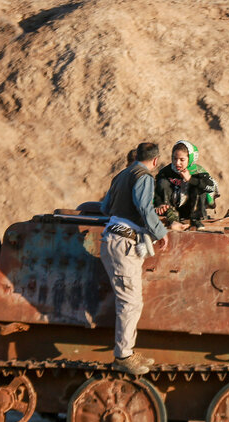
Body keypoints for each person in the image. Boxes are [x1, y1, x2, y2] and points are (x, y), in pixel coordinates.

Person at [98, 141, 169, 376]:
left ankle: (127, 350)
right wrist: (161, 232)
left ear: (137, 155)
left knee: (129, 300)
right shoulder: (145, 176)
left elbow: (105, 207)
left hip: (113, 237)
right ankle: (123, 356)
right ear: (156, 160)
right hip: (124, 243)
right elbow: (144, 209)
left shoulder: (122, 175)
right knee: (130, 302)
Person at [154, 141, 219, 228]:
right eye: (174, 158)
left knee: (198, 187)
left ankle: (197, 219)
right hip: (173, 211)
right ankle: (171, 218)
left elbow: (210, 187)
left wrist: (190, 179)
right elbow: (156, 190)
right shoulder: (166, 171)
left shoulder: (198, 171)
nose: (177, 163)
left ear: (190, 159)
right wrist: (159, 203)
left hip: (192, 211)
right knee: (163, 182)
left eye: (182, 160)